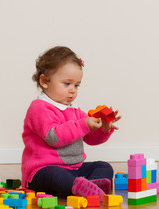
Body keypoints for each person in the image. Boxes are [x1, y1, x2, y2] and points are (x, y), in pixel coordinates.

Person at [21, 46, 121, 200]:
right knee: (55, 176)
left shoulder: (74, 111)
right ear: (44, 81)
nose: (73, 90)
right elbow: (54, 137)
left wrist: (104, 129)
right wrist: (85, 124)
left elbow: (90, 138)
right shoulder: (39, 108)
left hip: (75, 169)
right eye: (67, 84)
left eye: (76, 85)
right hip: (43, 171)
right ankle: (79, 187)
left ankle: (90, 186)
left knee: (103, 166)